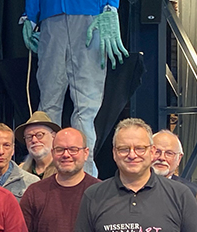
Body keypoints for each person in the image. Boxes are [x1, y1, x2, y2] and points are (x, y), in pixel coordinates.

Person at [23, 0, 126, 175]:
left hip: (89, 14)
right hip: (52, 15)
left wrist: (110, 6)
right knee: (49, 103)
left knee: (86, 104)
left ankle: (84, 174)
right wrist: (30, 15)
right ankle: (46, 173)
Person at [16, 111, 57, 180]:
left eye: (39, 135)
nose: (34, 140)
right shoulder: (20, 172)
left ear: (53, 136)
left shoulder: (63, 169)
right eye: (29, 137)